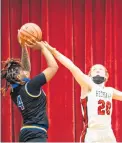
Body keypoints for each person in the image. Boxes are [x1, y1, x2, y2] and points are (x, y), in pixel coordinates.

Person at [44, 42, 122, 143]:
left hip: (108, 133)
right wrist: (54, 51)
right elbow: (72, 67)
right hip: (92, 133)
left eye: (100, 69)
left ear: (106, 76)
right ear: (89, 75)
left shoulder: (110, 91)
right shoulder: (87, 84)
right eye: (94, 69)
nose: (97, 70)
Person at [1, 32, 58, 142]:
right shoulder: (31, 87)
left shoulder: (14, 91)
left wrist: (23, 46)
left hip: (26, 132)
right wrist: (42, 47)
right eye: (21, 70)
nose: (24, 70)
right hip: (35, 134)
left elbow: (26, 69)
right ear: (18, 76)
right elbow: (53, 67)